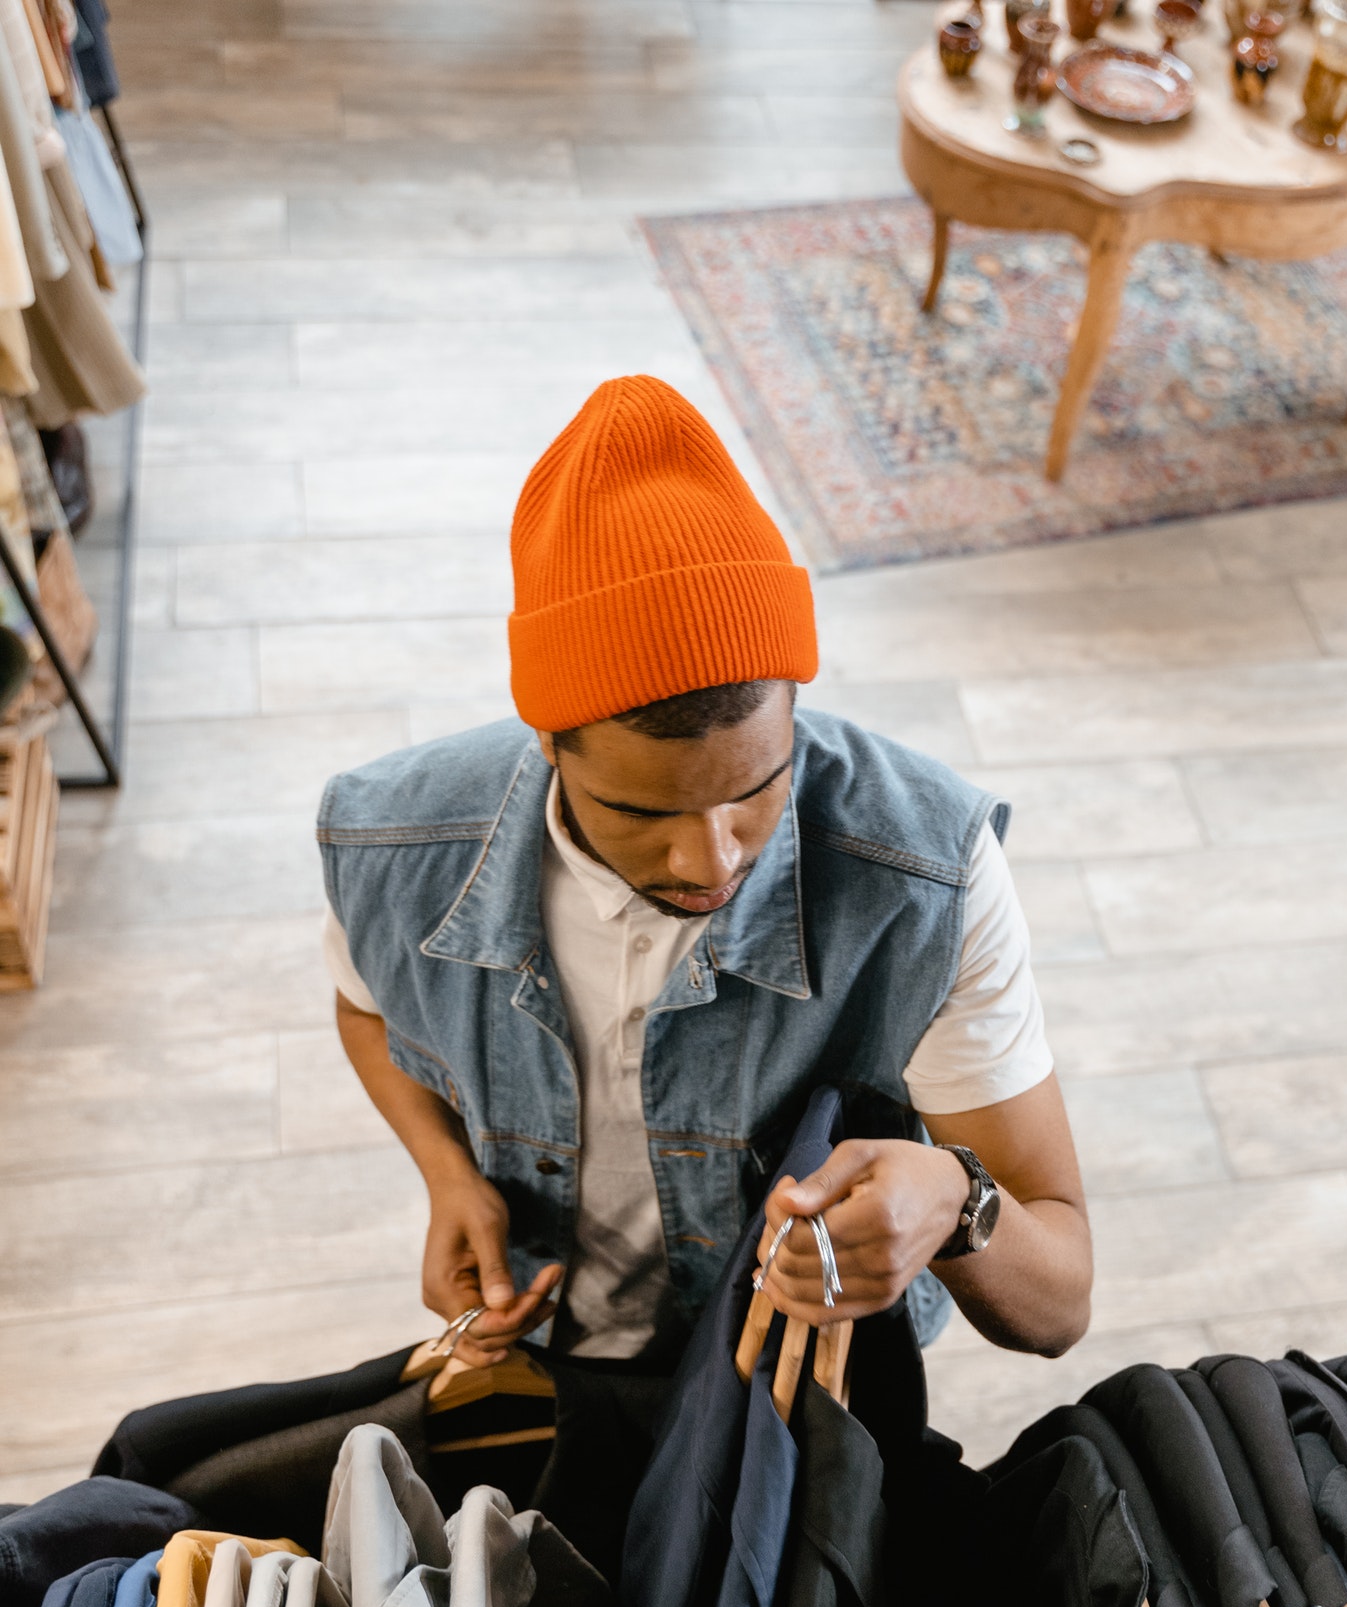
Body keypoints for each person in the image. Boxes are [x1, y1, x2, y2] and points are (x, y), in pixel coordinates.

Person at [319, 375, 1092, 1386]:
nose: (711, 858)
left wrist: (952, 1195)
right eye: (642, 812)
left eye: (756, 789)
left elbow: (1060, 1303)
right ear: (548, 739)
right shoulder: (391, 842)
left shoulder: (925, 879)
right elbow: (366, 1008)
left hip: (802, 1408)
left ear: (794, 701)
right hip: (545, 1368)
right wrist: (446, 1169)